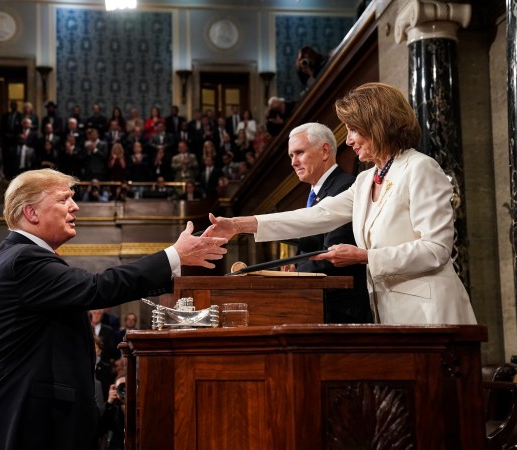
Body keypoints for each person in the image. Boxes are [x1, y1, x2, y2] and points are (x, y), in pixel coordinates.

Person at [0, 168, 227, 450]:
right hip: (20, 423)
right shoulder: (23, 259)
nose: (75, 207)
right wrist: (174, 255)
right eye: (63, 200)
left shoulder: (22, 256)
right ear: (31, 213)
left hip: (27, 419)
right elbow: (97, 288)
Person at [204, 82, 477, 325]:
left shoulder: (419, 168)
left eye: (353, 130)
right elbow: (316, 216)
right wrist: (239, 225)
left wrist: (366, 257)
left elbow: (436, 250)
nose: (348, 141)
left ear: (378, 124)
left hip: (432, 314)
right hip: (389, 313)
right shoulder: (366, 179)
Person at [284, 122, 371, 323]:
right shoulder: (316, 193)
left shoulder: (345, 187)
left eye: (299, 153)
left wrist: (296, 274)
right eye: (291, 156)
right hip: (321, 305)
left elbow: (333, 255)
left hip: (342, 311)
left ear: (325, 151)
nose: (293, 162)